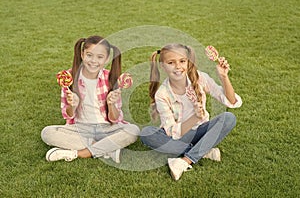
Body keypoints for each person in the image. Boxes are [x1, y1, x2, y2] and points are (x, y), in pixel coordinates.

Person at [140, 43, 242, 180]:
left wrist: (224, 77)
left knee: (229, 118)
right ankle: (203, 150)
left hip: (201, 131)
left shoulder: (200, 78)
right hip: (180, 137)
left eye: (182, 61)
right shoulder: (162, 94)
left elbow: (231, 101)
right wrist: (195, 117)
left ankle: (184, 161)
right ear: (163, 66)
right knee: (147, 133)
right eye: (171, 62)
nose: (178, 66)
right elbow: (172, 132)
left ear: (188, 62)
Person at [41, 35, 140, 163]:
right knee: (47, 133)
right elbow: (68, 116)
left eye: (100, 57)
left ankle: (80, 153)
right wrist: (73, 105)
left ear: (107, 59)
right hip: (80, 128)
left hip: (107, 128)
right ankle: (107, 149)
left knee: (133, 131)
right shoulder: (69, 78)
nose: (93, 61)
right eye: (89, 55)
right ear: (82, 54)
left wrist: (111, 104)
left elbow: (115, 119)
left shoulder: (111, 79)